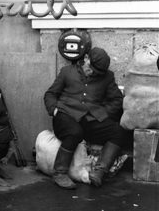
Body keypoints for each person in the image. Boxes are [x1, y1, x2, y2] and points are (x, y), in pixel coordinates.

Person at [44, 47, 124, 189]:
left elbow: (117, 100)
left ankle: (99, 171)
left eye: (96, 72)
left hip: (90, 119)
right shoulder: (67, 71)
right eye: (90, 68)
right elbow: (50, 94)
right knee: (75, 132)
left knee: (117, 131)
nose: (92, 73)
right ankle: (59, 173)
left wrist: (103, 114)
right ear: (86, 58)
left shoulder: (107, 76)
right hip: (65, 115)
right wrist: (54, 110)